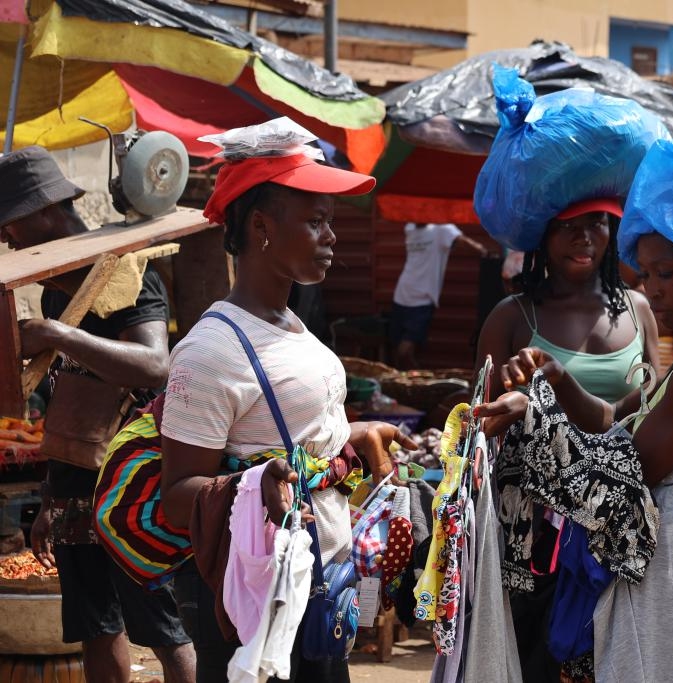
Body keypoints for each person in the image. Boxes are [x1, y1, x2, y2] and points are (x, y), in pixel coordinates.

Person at [478, 138, 673, 682]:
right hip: (671, 568)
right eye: (645, 275)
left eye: (665, 274)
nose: (650, 289)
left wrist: (532, 420)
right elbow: (612, 420)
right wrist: (553, 380)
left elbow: (624, 476)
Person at [158, 126, 416, 683]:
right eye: (315, 221)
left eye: (330, 221)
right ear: (261, 228)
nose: (331, 237)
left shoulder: (293, 327)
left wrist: (356, 437)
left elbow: (300, 442)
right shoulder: (211, 351)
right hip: (254, 608)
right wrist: (255, 488)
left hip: (319, 585)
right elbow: (178, 497)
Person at [0, 146, 196, 683]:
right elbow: (68, 396)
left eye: (9, 225)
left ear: (42, 212)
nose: (6, 239)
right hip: (73, 484)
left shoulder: (125, 272)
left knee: (159, 627)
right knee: (96, 625)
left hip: (128, 483)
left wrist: (61, 334)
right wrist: (49, 498)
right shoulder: (54, 293)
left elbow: (155, 365)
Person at [474, 198, 660, 681]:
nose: (583, 238)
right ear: (541, 235)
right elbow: (480, 423)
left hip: (618, 525)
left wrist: (549, 398)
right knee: (539, 654)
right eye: (567, 227)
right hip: (537, 535)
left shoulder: (638, 310)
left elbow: (649, 406)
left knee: (610, 656)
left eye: (596, 224)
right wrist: (520, 403)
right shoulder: (511, 316)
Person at [391, 222, 489, 369]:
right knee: (396, 352)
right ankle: (405, 386)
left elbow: (469, 245)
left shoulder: (442, 230)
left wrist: (486, 253)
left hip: (423, 299)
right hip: (400, 295)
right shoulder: (409, 228)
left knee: (404, 351)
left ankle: (415, 385)